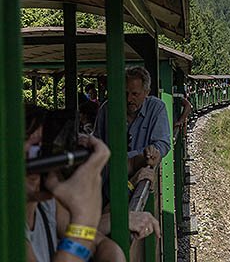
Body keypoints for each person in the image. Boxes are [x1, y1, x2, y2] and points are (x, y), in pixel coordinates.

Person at [24, 105, 125, 262]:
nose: (36, 159)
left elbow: (103, 245)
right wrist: (84, 221)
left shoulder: (46, 206)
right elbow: (86, 235)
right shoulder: (8, 228)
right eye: (32, 149)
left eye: (42, 150)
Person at [95, 66, 170, 174]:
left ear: (146, 92)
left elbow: (163, 143)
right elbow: (97, 141)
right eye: (125, 93)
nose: (129, 99)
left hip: (141, 177)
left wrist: (153, 151)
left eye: (135, 94)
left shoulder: (156, 107)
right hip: (111, 177)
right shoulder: (107, 109)